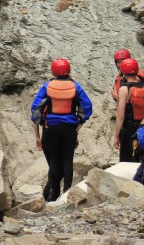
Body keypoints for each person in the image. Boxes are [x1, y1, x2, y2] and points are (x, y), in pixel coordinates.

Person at [30, 58, 93, 202]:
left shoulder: (47, 86)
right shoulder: (75, 87)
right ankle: (67, 194)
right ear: (68, 70)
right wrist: (81, 121)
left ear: (53, 71)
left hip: (51, 128)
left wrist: (39, 129)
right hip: (69, 128)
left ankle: (53, 195)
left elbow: (35, 108)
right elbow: (87, 106)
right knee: (67, 161)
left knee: (54, 162)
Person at [113, 58, 144, 162]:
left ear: (123, 71)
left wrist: (116, 136)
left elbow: (120, 116)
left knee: (126, 159)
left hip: (128, 128)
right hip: (142, 126)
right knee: (137, 157)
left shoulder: (124, 89)